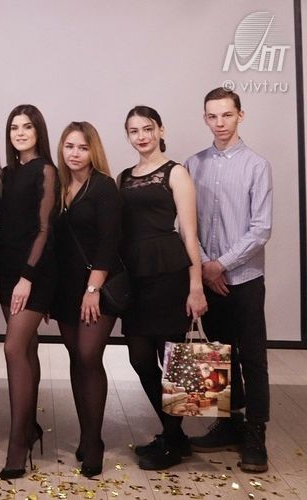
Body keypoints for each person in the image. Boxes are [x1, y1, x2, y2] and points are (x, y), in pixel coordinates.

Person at [184, 88, 272, 473]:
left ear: (240, 115)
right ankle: (227, 423)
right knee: (218, 353)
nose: (219, 123)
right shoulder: (193, 165)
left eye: (226, 115)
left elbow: (261, 228)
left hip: (245, 278)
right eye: (212, 116)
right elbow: (186, 223)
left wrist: (222, 264)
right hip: (209, 277)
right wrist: (206, 265)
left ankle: (255, 433)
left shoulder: (257, 165)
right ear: (205, 118)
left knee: (252, 356)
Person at [117, 105, 207, 471]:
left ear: (160, 130)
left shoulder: (176, 172)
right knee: (140, 358)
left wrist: (196, 285)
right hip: (135, 273)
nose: (141, 136)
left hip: (169, 270)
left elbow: (189, 232)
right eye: (134, 130)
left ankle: (172, 440)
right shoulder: (124, 177)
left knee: (174, 361)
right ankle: (176, 435)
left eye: (147, 128)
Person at [0, 104, 58, 479]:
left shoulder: (46, 170)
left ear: (38, 131)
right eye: (14, 127)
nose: (19, 132)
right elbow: (0, 228)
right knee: (27, 349)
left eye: (27, 126)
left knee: (13, 348)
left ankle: (18, 445)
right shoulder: (6, 173)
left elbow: (44, 228)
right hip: (5, 272)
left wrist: (27, 276)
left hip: (34, 273)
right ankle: (29, 427)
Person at [51, 121, 121, 478]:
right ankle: (85, 433)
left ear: (93, 150)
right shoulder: (58, 186)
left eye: (82, 147)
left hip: (96, 286)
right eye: (69, 146)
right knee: (76, 358)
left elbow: (110, 241)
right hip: (64, 287)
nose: (75, 153)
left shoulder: (104, 186)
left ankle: (94, 442)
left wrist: (92, 290)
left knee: (90, 356)